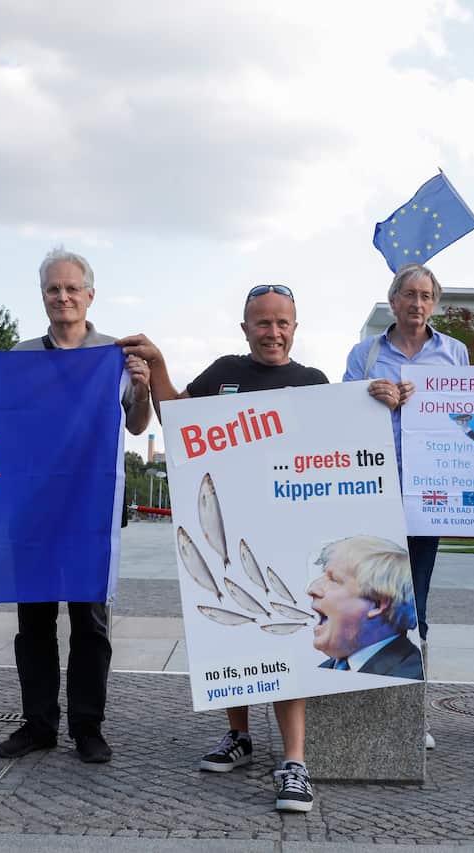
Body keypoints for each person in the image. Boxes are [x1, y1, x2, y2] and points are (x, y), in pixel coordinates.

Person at [117, 283, 329, 813]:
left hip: (287, 537)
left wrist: (380, 400)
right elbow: (176, 419)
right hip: (225, 536)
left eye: (282, 323)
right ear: (245, 328)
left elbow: (340, 450)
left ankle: (296, 763)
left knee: (287, 642)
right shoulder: (222, 373)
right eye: (263, 322)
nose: (273, 332)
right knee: (230, 636)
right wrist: (160, 364)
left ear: (296, 328)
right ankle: (239, 736)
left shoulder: (314, 383)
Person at [0, 247, 151, 765]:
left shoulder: (115, 353)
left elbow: (136, 426)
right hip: (34, 509)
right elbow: (4, 423)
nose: (62, 297)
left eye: (71, 288)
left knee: (90, 622)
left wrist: (144, 386)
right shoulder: (21, 355)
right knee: (33, 622)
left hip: (89, 510)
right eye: (52, 289)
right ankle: (38, 724)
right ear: (43, 297)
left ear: (89, 294)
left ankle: (88, 726)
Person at [342, 262, 469, 749]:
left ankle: (409, 711)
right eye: (409, 294)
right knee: (369, 602)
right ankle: (360, 704)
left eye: (426, 295)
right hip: (373, 490)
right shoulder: (366, 353)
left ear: (435, 304)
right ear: (393, 301)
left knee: (415, 602)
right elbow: (338, 414)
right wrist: (368, 397)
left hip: (427, 496)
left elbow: (470, 418)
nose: (417, 304)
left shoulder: (453, 353)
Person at [307, 535, 423, 679]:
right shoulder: (324, 670)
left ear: (377, 604)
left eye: (334, 580)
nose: (312, 589)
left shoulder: (407, 676)